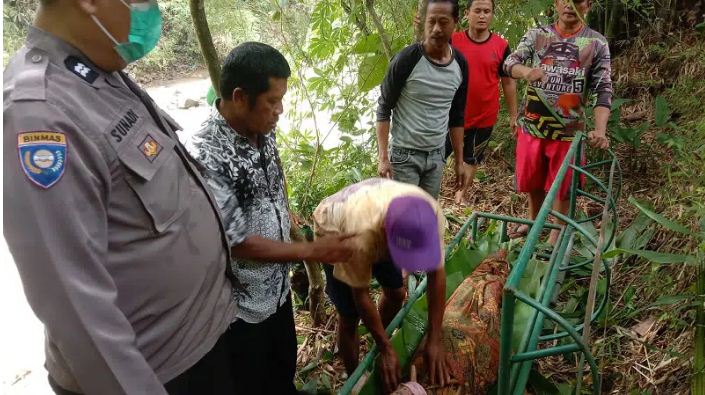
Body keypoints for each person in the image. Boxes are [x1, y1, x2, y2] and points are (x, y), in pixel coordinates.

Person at [4, 1, 239, 394]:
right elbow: (74, 307)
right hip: (159, 373)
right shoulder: (42, 114)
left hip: (200, 343)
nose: (154, 11)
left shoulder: (98, 74)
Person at [188, 42, 353, 395]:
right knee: (253, 382)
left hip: (276, 294)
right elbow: (237, 243)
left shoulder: (262, 128)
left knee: (281, 373)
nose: (280, 111)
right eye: (272, 102)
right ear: (239, 96)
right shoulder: (206, 152)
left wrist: (284, 210)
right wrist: (312, 252)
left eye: (282, 100)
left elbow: (274, 179)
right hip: (240, 310)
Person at [314, 178, 450, 394]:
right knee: (349, 316)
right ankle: (355, 377)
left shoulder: (430, 213)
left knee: (396, 293)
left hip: (373, 215)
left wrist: (435, 338)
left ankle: (377, 342)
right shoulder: (360, 234)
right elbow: (361, 294)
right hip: (334, 227)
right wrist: (387, 348)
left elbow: (437, 273)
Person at [503, 0, 612, 242]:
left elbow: (603, 88)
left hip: (568, 129)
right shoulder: (539, 34)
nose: (570, 5)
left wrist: (600, 130)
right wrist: (526, 72)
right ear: (556, 2)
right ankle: (534, 222)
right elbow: (509, 63)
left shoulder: (596, 42)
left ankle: (555, 237)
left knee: (563, 186)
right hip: (532, 123)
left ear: (589, 5)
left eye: (578, 1)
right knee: (532, 180)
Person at [376, 0, 468, 199]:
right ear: (423, 22)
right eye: (431, 21)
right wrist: (383, 157)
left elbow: (457, 116)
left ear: (455, 22)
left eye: (443, 22)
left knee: (425, 215)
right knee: (403, 220)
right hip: (404, 156)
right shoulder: (406, 60)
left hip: (436, 156)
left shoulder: (460, 64)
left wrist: (459, 162)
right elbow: (384, 108)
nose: (436, 29)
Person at [446, 0, 518, 204]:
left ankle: (460, 196)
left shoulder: (501, 46)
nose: (482, 15)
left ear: (492, 15)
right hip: (452, 115)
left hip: (484, 115)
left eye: (487, 11)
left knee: (472, 158)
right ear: (467, 13)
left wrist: (513, 115)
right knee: (437, 155)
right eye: (477, 11)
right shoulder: (453, 40)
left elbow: (509, 83)